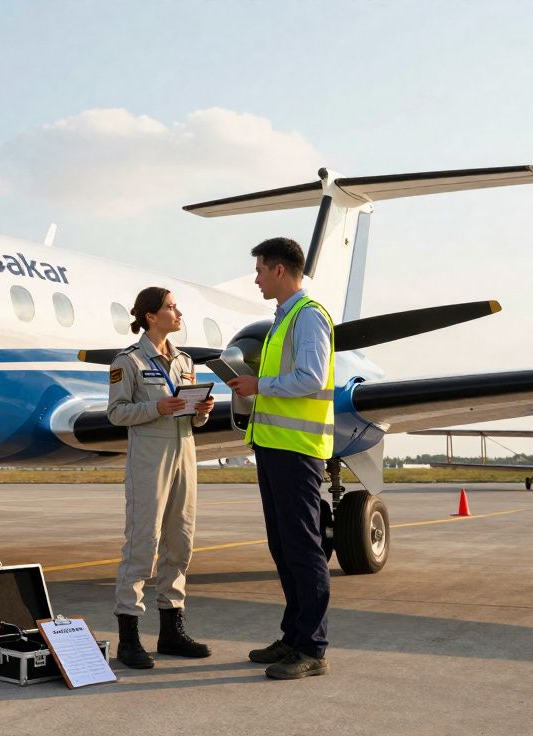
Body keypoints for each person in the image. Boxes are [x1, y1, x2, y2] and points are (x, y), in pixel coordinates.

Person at [225, 237, 335, 680]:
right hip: (274, 447)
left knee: (304, 549)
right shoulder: (282, 319)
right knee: (283, 548)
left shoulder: (308, 316)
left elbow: (310, 378)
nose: (256, 279)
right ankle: (293, 636)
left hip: (298, 451)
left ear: (280, 270)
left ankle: (312, 648)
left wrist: (259, 385)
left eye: (260, 270)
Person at [108, 286, 215, 669]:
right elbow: (117, 413)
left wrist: (202, 410)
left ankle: (171, 630)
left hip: (185, 454)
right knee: (142, 545)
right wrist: (157, 407)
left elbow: (194, 420)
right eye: (171, 307)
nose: (178, 313)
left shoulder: (185, 361)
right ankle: (129, 637)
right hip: (149, 461)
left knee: (180, 543)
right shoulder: (129, 361)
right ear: (151, 316)